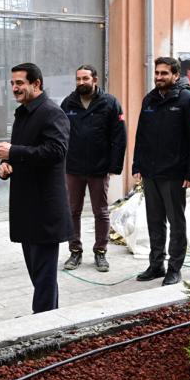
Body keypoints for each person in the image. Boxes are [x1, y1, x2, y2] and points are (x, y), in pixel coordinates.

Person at [0, 63, 71, 313]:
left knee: (43, 277)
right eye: (12, 83)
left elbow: (56, 151)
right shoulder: (23, 113)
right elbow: (23, 152)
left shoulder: (52, 113)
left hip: (45, 208)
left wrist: (13, 152)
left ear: (36, 84)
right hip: (27, 207)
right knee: (39, 274)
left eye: (20, 83)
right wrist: (6, 165)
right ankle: (48, 317)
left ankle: (42, 321)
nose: (15, 88)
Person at [132, 56, 190, 286]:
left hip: (174, 173)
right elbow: (141, 135)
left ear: (175, 75)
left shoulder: (188, 99)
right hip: (151, 172)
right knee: (154, 221)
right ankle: (156, 265)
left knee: (176, 222)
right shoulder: (150, 100)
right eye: (157, 73)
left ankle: (174, 268)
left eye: (164, 73)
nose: (159, 77)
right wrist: (137, 164)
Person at [60, 64, 126, 272]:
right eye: (78, 79)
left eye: (85, 79)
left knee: (101, 211)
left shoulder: (110, 103)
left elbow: (120, 136)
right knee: (72, 211)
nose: (81, 82)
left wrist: (115, 165)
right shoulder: (68, 103)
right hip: (73, 167)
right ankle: (75, 251)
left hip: (99, 168)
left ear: (95, 80)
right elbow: (59, 134)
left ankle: (100, 252)